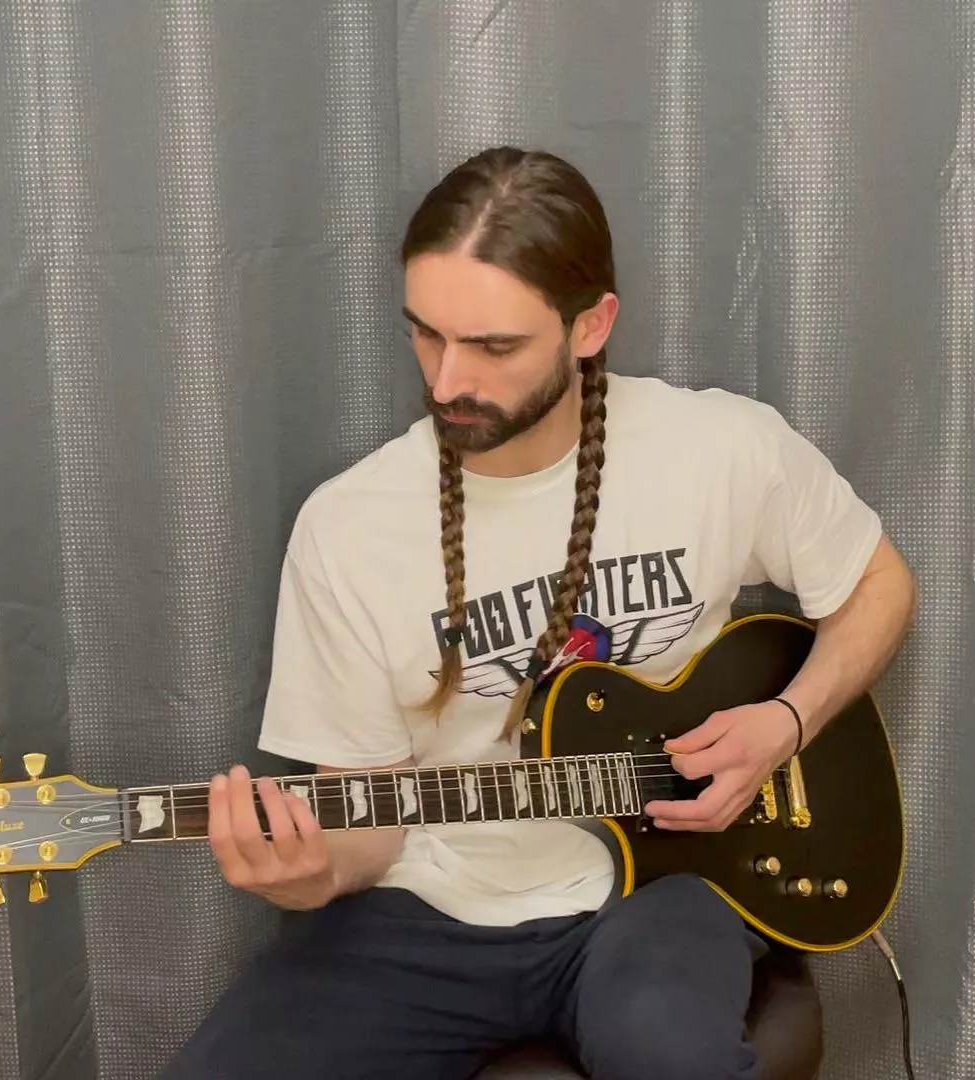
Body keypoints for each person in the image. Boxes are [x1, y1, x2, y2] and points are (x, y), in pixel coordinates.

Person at [161, 147, 916, 1080]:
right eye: (425, 336)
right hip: (429, 907)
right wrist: (314, 872)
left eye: (493, 347)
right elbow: (366, 812)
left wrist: (787, 721)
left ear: (590, 325)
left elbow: (878, 585)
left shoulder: (723, 449)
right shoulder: (348, 526)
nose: (445, 383)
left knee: (671, 1057)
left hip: (668, 884)